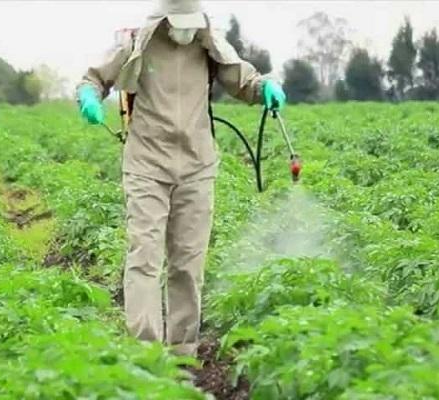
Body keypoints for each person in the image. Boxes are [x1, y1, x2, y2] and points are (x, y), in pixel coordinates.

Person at [75, 0, 286, 356]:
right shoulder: (136, 44)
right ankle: (145, 353)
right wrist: (88, 97)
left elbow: (243, 80)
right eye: (178, 23)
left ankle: (182, 353)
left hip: (197, 164)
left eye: (191, 23)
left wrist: (264, 87)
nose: (185, 30)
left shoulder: (210, 44)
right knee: (144, 256)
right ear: (163, 20)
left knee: (189, 262)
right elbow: (94, 78)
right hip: (147, 163)